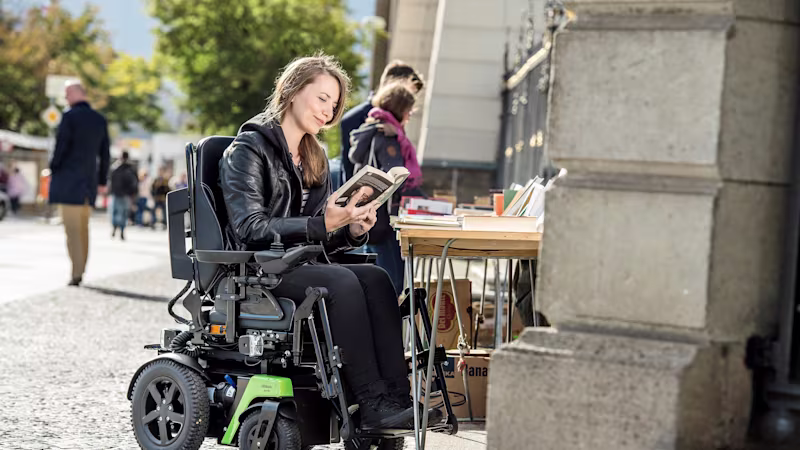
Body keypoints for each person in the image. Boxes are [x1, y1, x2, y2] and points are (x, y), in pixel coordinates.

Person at [219, 54, 440, 430]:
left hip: (300, 262)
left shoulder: (314, 155)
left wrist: (352, 228)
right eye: (322, 98)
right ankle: (372, 403)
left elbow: (323, 238)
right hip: (259, 269)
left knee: (377, 279)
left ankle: (398, 400)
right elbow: (249, 228)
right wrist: (321, 224)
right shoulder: (248, 150)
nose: (328, 111)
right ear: (290, 90)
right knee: (343, 283)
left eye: (334, 104)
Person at [348, 82, 423, 295]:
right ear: (400, 109)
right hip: (385, 220)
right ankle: (387, 326)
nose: (409, 115)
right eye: (408, 110)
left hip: (365, 217)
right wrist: (428, 202)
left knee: (369, 281)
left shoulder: (370, 130)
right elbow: (395, 176)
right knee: (393, 285)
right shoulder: (388, 135)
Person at [49, 80, 110, 286]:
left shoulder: (69, 117)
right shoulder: (99, 119)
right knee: (84, 229)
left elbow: (61, 146)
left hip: (69, 182)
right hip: (89, 184)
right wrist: (101, 181)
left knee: (72, 230)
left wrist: (53, 167)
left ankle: (76, 274)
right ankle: (81, 268)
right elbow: (105, 154)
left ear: (76, 93)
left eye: (67, 93)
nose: (65, 98)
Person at [338, 60, 424, 187]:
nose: (409, 107)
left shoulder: (392, 120)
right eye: (406, 93)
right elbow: (349, 170)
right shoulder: (355, 118)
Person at [109, 151, 139, 240]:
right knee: (123, 213)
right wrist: (134, 194)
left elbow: (111, 181)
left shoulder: (115, 167)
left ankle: (116, 228)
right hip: (125, 194)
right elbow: (135, 183)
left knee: (115, 212)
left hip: (117, 193)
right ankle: (121, 230)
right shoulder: (131, 168)